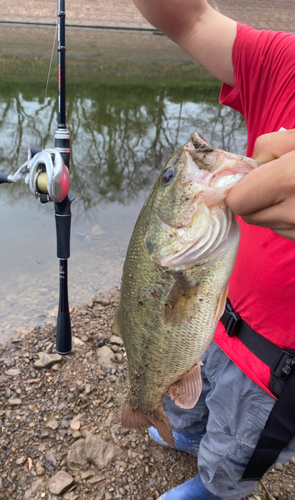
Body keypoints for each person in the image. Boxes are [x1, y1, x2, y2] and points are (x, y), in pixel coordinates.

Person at [130, 0, 295, 498]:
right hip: (218, 322)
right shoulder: (282, 61)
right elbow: (191, 17)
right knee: (194, 402)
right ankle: (185, 430)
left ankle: (213, 486)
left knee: (234, 453)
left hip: (278, 371)